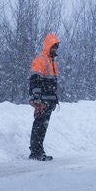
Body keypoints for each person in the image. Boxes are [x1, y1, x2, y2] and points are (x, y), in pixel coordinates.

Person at [28, 33, 60, 161]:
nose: (55, 50)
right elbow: (35, 80)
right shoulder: (41, 60)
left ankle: (39, 150)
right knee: (39, 125)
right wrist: (37, 98)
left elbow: (52, 82)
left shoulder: (52, 62)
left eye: (56, 48)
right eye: (54, 47)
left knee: (43, 126)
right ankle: (35, 152)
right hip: (42, 100)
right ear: (48, 46)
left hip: (49, 101)